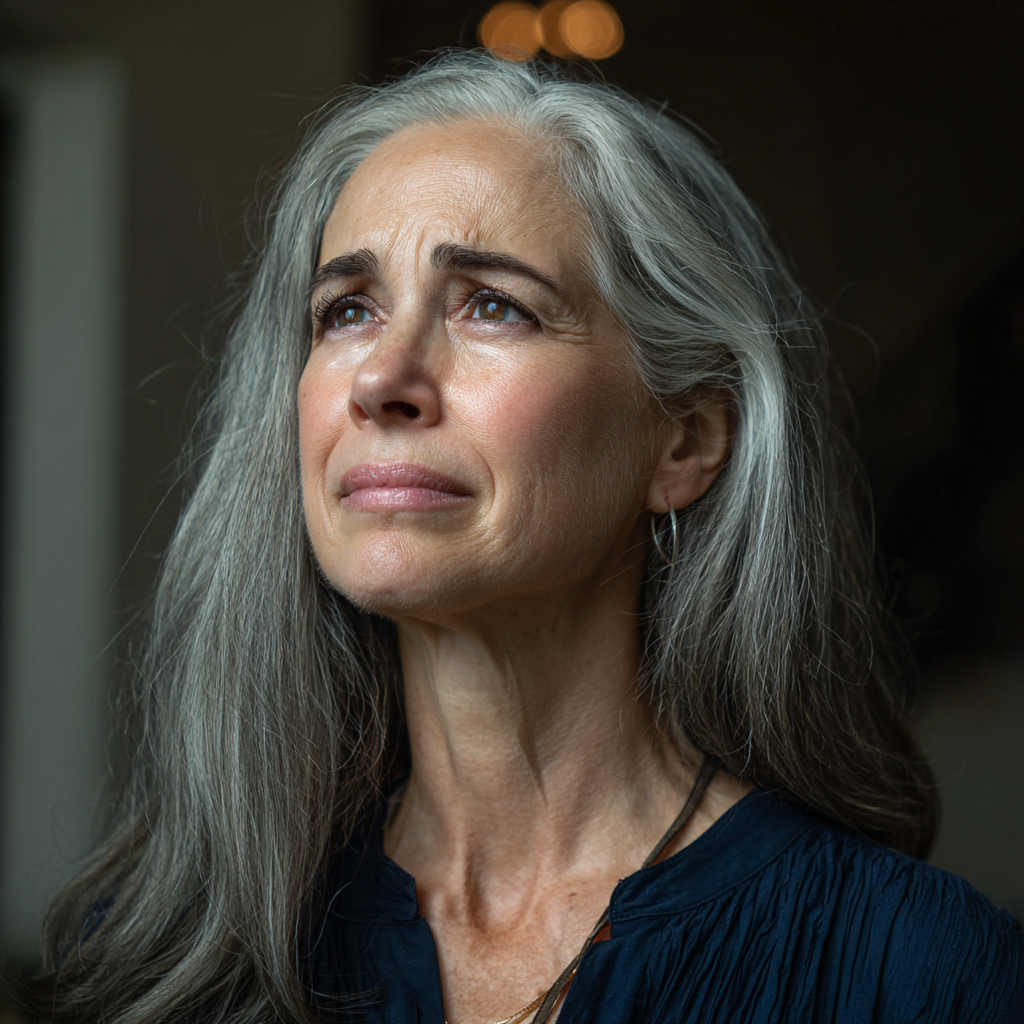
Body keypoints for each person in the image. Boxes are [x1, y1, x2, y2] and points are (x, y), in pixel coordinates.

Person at [20, 51, 1022, 1024]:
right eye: (348, 310)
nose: (381, 379)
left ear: (684, 440)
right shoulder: (169, 961)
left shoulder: (917, 972)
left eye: (492, 305)